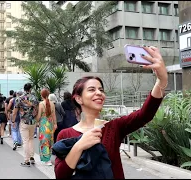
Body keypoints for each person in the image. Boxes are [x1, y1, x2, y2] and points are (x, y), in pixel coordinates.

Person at [54, 46, 168, 179]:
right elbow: (60, 175)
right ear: (79, 98)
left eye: (101, 90)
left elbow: (145, 114)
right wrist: (79, 146)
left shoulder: (114, 127)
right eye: (91, 89)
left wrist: (162, 80)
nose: (99, 93)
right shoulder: (65, 134)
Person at [12, 83, 39, 167]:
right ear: (30, 89)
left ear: (24, 89)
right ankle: (32, 157)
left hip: (24, 122)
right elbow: (37, 110)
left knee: (26, 141)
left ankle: (26, 160)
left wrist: (13, 121)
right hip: (33, 122)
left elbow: (15, 112)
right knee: (31, 139)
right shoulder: (35, 98)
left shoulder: (19, 98)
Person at [36, 89, 57, 166]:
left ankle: (46, 159)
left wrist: (36, 120)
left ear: (41, 95)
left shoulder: (41, 104)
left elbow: (38, 116)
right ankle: (49, 158)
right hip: (50, 123)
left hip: (43, 123)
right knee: (50, 140)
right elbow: (54, 115)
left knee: (44, 141)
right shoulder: (52, 103)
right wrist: (55, 124)